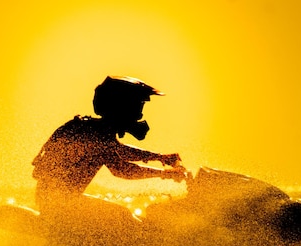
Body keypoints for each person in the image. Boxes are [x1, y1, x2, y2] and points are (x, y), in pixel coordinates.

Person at [31, 76, 187, 220]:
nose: (139, 115)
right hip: (60, 206)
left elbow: (120, 150)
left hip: (57, 202)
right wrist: (165, 174)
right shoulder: (95, 134)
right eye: (137, 106)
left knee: (122, 217)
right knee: (123, 219)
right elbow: (121, 169)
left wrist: (159, 157)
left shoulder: (94, 129)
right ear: (121, 107)